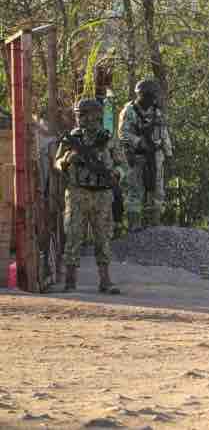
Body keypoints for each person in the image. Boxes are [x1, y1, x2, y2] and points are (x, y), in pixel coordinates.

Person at [54, 98, 125, 294]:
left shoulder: (107, 138)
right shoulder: (72, 138)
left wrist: (116, 174)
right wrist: (68, 159)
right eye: (79, 114)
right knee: (73, 236)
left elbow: (122, 164)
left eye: (85, 114)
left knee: (103, 238)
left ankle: (105, 281)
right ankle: (70, 282)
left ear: (96, 116)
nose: (82, 118)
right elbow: (57, 163)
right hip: (77, 193)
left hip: (102, 194)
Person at [118, 79, 173, 231]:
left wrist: (168, 153)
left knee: (157, 189)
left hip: (155, 155)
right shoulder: (129, 111)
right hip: (137, 156)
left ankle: (154, 224)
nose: (153, 99)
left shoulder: (157, 111)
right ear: (142, 95)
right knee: (135, 189)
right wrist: (138, 142)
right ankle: (134, 225)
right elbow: (122, 134)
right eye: (151, 95)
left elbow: (163, 132)